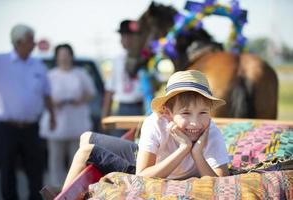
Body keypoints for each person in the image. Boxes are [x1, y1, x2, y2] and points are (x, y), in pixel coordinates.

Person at [62, 70, 229, 188]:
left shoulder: (211, 131)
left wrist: (196, 153)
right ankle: (63, 193)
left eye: (203, 113)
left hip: (152, 171)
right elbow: (143, 173)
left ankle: (62, 193)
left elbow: (221, 182)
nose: (196, 123)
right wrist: (184, 148)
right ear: (167, 113)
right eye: (186, 113)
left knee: (86, 151)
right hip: (151, 166)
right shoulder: (155, 122)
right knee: (86, 137)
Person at [0, 24, 55, 200]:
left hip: (31, 128)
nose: (34, 44)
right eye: (30, 40)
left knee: (35, 169)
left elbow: (47, 94)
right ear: (18, 42)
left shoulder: (38, 65)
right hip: (5, 128)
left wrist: (52, 116)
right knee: (7, 169)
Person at [39, 44, 96, 188]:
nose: (64, 58)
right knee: (55, 158)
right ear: (57, 57)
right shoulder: (50, 75)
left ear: (71, 56)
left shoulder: (80, 73)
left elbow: (91, 92)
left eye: (66, 54)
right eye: (61, 55)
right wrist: (53, 103)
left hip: (76, 120)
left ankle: (75, 186)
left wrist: (80, 99)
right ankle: (57, 188)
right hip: (57, 120)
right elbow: (43, 95)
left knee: (77, 156)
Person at [102, 19, 144, 136]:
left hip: (140, 107)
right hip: (122, 108)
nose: (123, 39)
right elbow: (110, 89)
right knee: (119, 145)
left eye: (128, 36)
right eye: (122, 36)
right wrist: (105, 115)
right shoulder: (117, 60)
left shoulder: (145, 58)